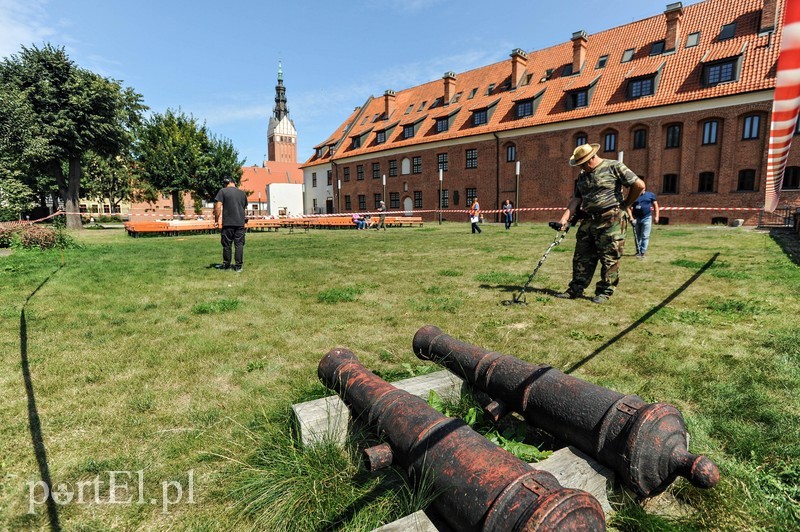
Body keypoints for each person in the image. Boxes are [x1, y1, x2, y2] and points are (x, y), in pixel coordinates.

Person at [554, 143, 644, 304]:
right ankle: (576, 288)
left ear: (591, 159)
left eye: (582, 164)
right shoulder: (583, 176)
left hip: (611, 220)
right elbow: (576, 199)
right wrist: (564, 218)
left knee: (609, 257)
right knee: (582, 256)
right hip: (589, 220)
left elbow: (639, 185)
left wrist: (625, 205)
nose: (581, 167)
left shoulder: (614, 166)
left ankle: (605, 291)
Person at [213, 177, 248, 272]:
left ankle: (227, 265)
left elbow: (218, 207)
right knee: (239, 244)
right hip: (240, 223)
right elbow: (244, 208)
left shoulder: (222, 191)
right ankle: (238, 266)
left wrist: (216, 220)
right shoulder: (242, 193)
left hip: (228, 223)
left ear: (229, 182)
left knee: (227, 245)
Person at [629, 183, 659, 258]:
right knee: (637, 236)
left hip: (647, 217)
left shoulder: (650, 195)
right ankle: (638, 251)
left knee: (645, 236)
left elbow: (655, 205)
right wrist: (631, 217)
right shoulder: (634, 196)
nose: (640, 190)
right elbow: (628, 207)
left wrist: (657, 216)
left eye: (641, 188)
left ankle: (642, 252)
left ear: (644, 188)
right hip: (636, 218)